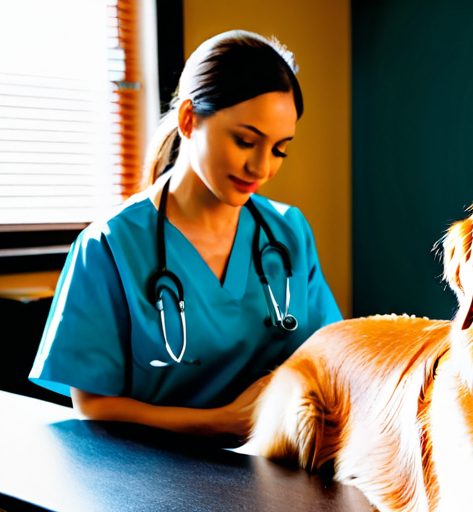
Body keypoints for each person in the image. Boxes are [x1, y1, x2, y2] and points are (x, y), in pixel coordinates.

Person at [29, 30, 342, 440]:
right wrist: (220, 424)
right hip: (152, 470)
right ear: (189, 119)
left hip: (275, 463)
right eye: (245, 141)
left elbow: (328, 358)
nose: (262, 168)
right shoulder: (109, 245)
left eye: (279, 149)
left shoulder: (288, 233)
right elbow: (93, 406)